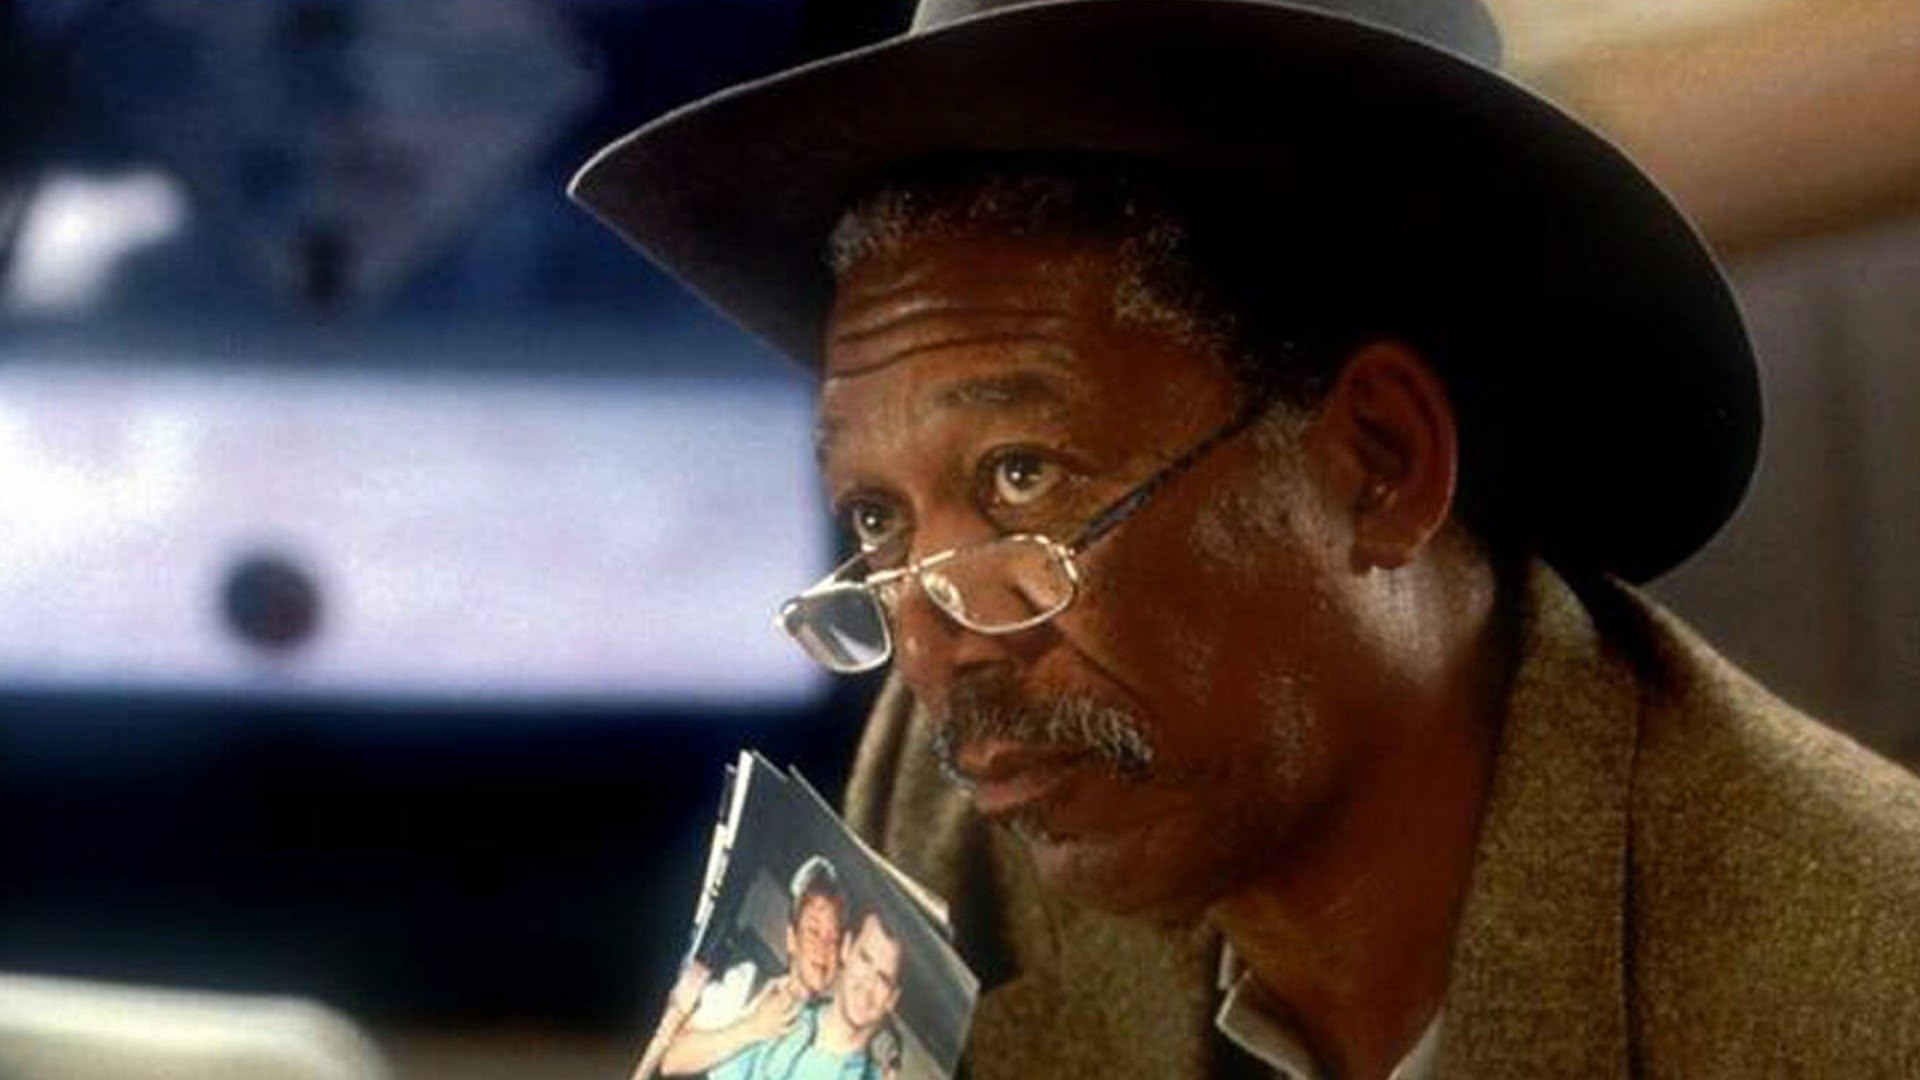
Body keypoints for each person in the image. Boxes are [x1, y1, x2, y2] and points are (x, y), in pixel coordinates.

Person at [574, 0, 1920, 1075]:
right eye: (877, 517)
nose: (930, 650)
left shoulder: (1863, 998)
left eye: (1022, 477)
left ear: (1381, 465)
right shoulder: (963, 820)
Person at [643, 856, 847, 1078]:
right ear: (792, 938)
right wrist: (753, 1027)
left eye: (834, 938)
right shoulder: (747, 982)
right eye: (814, 931)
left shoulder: (837, 1032)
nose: (823, 948)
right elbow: (672, 1059)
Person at [706, 909, 907, 1080]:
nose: (868, 984)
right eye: (865, 959)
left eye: (884, 978)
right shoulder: (778, 1017)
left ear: (892, 999)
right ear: (846, 949)